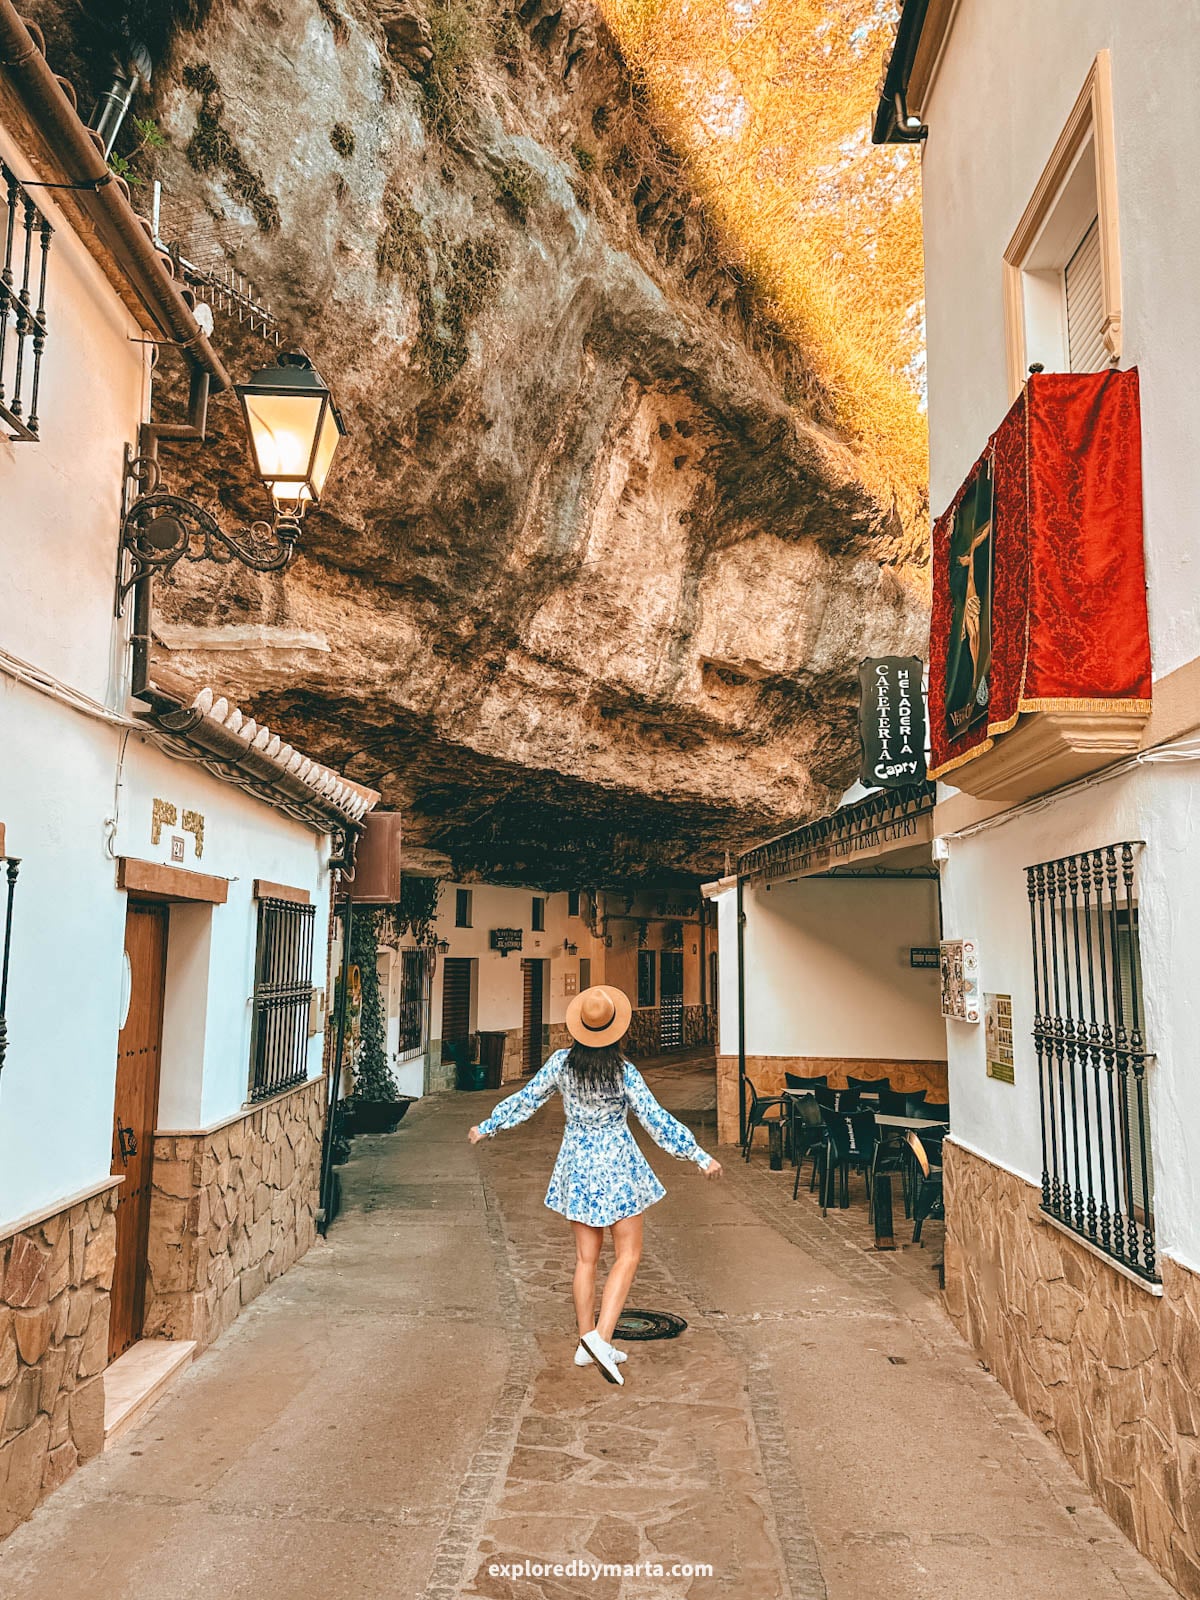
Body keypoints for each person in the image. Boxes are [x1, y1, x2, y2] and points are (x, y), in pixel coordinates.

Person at [468, 984, 722, 1385]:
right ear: (615, 1030)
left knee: (586, 1260)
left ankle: (586, 1342)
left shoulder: (561, 1064)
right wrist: (698, 1154)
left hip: (578, 1166)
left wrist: (489, 1125)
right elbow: (654, 1118)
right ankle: (601, 1339)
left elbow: (528, 1098)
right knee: (628, 1254)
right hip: (618, 1166)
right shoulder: (623, 1071)